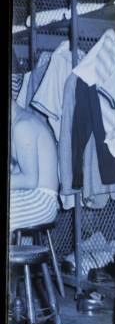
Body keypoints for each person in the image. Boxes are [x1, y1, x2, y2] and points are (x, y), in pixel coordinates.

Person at [10, 97, 60, 233]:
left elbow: (30, 180)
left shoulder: (23, 126)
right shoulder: (20, 122)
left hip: (41, 201)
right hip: (33, 196)